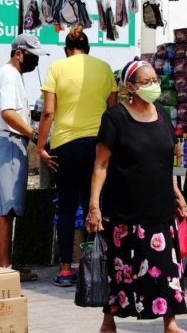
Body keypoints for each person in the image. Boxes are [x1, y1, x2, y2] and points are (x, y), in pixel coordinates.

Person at [85, 60, 187, 333]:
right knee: (120, 269)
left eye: (154, 79)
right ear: (129, 87)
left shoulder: (161, 114)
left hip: (159, 208)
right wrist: (93, 206)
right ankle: (108, 323)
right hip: (124, 210)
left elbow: (163, 162)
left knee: (166, 269)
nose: (152, 85)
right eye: (145, 82)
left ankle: (170, 324)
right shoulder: (114, 118)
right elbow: (101, 165)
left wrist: (177, 193)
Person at [36, 25, 118, 287]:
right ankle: (93, 265)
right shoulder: (104, 68)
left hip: (66, 145)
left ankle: (65, 269)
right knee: (95, 204)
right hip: (98, 145)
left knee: (67, 207)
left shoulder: (57, 68)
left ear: (66, 49)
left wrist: (40, 147)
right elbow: (112, 111)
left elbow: (48, 112)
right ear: (88, 48)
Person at [0, 33, 49, 281]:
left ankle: (7, 265)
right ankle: (5, 269)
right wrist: (34, 134)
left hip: (8, 143)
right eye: (32, 57)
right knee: (5, 209)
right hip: (7, 142)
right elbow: (8, 113)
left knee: (8, 209)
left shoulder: (12, 76)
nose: (35, 62)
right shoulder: (10, 76)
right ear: (18, 53)